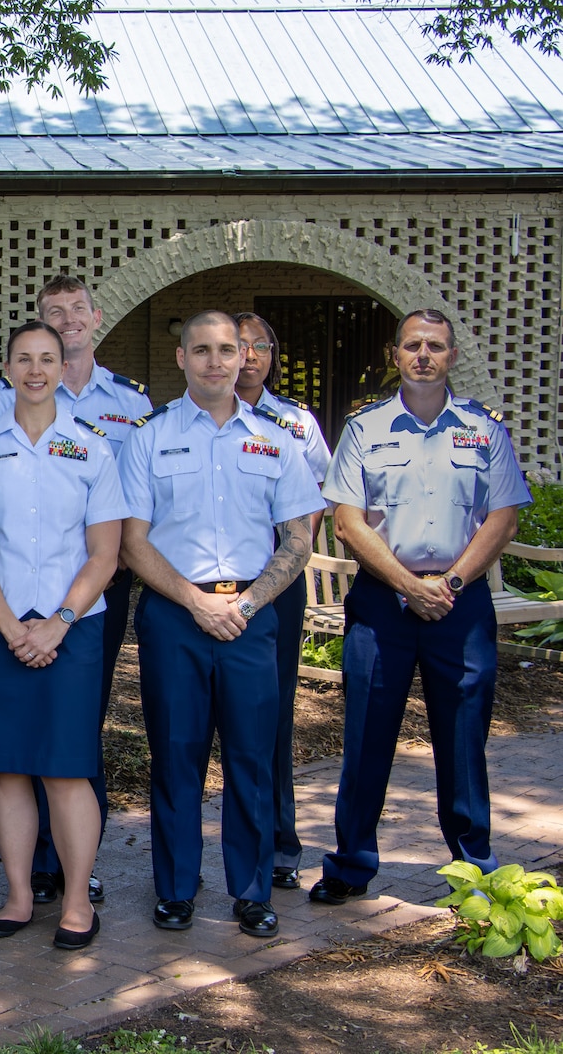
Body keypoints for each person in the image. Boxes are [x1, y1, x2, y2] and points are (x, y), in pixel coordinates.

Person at [310, 309, 529, 905]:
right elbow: (347, 521)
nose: (424, 355)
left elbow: (504, 516)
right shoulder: (364, 429)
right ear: (395, 355)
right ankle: (350, 866)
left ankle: (473, 870)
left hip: (460, 605)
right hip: (384, 605)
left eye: (436, 346)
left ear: (452, 356)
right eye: (413, 346)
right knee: (366, 741)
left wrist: (450, 584)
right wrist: (408, 584)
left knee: (463, 741)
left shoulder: (484, 430)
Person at [119, 310, 322, 939]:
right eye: (201, 350)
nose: (215, 361)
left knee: (251, 758)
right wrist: (193, 600)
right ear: (181, 359)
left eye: (226, 350)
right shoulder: (148, 437)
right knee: (176, 755)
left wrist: (250, 603)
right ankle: (176, 890)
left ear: (245, 358)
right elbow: (133, 540)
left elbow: (297, 537)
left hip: (251, 617)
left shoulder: (277, 440)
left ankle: (253, 890)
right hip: (175, 615)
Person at [0, 321, 127, 950]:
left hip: (72, 628)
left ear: (62, 366)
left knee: (66, 768)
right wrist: (11, 629)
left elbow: (104, 554)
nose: (34, 370)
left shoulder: (95, 449)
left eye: (46, 359)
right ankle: (20, 895)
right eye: (23, 359)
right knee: (6, 770)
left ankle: (77, 901)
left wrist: (57, 624)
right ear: (6, 368)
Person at [0, 274, 151, 907]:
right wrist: (13, 623)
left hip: (90, 598)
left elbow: (122, 524)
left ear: (93, 318)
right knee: (12, 747)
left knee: (73, 735)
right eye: (53, 314)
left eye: (76, 311)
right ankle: (30, 881)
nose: (67, 320)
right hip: (3, 607)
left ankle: (77, 870)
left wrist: (64, 614)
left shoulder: (126, 409)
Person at [233, 311, 330, 892]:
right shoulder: (185, 421)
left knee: (274, 709)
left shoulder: (295, 423)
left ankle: (280, 842)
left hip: (279, 577)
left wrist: (285, 564)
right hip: (213, 583)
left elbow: (313, 503)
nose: (248, 357)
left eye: (259, 346)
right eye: (237, 346)